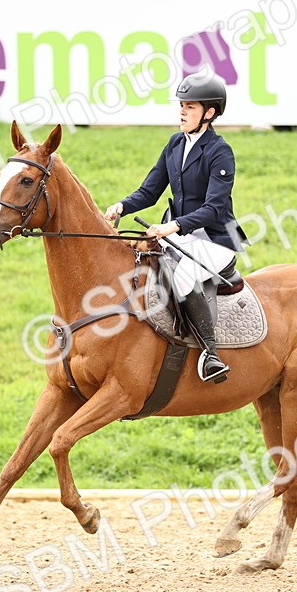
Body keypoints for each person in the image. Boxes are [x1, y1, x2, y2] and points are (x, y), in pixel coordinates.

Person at [104, 74, 247, 383]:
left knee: (183, 278)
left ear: (209, 113)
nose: (182, 112)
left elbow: (214, 208)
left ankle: (211, 355)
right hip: (180, 235)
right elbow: (150, 191)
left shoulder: (220, 151)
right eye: (181, 105)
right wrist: (122, 206)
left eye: (190, 107)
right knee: (139, 262)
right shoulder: (174, 143)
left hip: (215, 238)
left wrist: (172, 226)